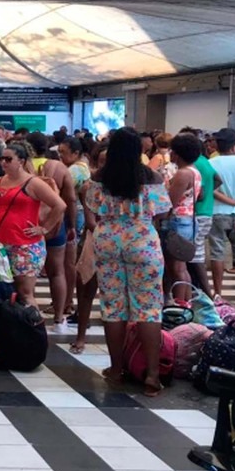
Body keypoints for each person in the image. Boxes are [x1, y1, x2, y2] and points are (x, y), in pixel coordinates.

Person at [83, 128, 170, 397]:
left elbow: (92, 205)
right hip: (142, 241)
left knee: (113, 306)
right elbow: (163, 210)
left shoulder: (100, 176)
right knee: (148, 308)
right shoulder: (151, 176)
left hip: (108, 241)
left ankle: (116, 369)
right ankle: (152, 376)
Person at [0, 142, 66, 306]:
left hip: (25, 246)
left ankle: (33, 328)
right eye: (2, 159)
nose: (4, 163)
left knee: (25, 293)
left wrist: (44, 228)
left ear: (21, 161)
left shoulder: (33, 183)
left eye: (8, 159)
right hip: (1, 243)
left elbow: (60, 205)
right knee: (7, 291)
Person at [30, 132, 77, 331]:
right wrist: (72, 225)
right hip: (56, 224)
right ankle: (59, 319)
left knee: (27, 272)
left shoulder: (22, 166)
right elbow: (71, 199)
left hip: (29, 226)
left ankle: (29, 317)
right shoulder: (60, 168)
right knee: (57, 272)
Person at [70, 141, 108, 354]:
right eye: (102, 161)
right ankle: (81, 336)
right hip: (92, 242)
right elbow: (90, 220)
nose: (105, 166)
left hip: (104, 239)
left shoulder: (121, 186)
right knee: (86, 290)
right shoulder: (89, 185)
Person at [161, 133, 203, 301]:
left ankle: (179, 307)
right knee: (182, 268)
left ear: (177, 154)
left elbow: (169, 202)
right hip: (188, 221)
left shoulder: (182, 174)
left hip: (177, 222)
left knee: (177, 269)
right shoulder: (195, 171)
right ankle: (185, 305)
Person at [57, 136, 92, 321]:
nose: (60, 156)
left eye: (64, 152)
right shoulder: (82, 167)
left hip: (74, 217)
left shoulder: (75, 171)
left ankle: (67, 302)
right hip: (78, 217)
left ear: (76, 153)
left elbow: (65, 195)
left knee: (69, 263)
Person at [183, 130, 218, 296]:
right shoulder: (205, 161)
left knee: (195, 256)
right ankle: (198, 293)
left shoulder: (193, 165)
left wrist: (187, 197)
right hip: (207, 211)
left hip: (196, 213)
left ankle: (208, 295)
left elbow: (201, 192)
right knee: (194, 255)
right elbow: (217, 179)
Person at [211, 128, 235, 297]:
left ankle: (217, 292)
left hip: (216, 212)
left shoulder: (210, 164)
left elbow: (209, 189)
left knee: (217, 251)